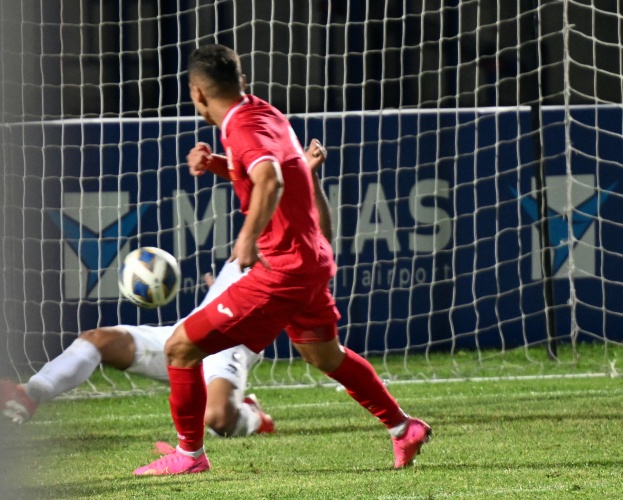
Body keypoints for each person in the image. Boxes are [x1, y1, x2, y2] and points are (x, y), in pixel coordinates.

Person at [133, 44, 431, 476]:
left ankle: (190, 456)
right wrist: (215, 164)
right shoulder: (262, 112)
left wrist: (247, 237)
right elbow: (271, 170)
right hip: (310, 258)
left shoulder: (241, 128)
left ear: (197, 93)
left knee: (180, 348)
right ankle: (404, 428)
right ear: (242, 82)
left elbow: (269, 179)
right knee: (325, 356)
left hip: (281, 267)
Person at [0, 138, 329, 439]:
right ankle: (31, 393)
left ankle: (253, 416)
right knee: (98, 339)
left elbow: (321, 241)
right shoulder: (252, 238)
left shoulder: (293, 256)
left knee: (217, 420)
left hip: (229, 345)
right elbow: (253, 179)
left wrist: (310, 178)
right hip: (186, 335)